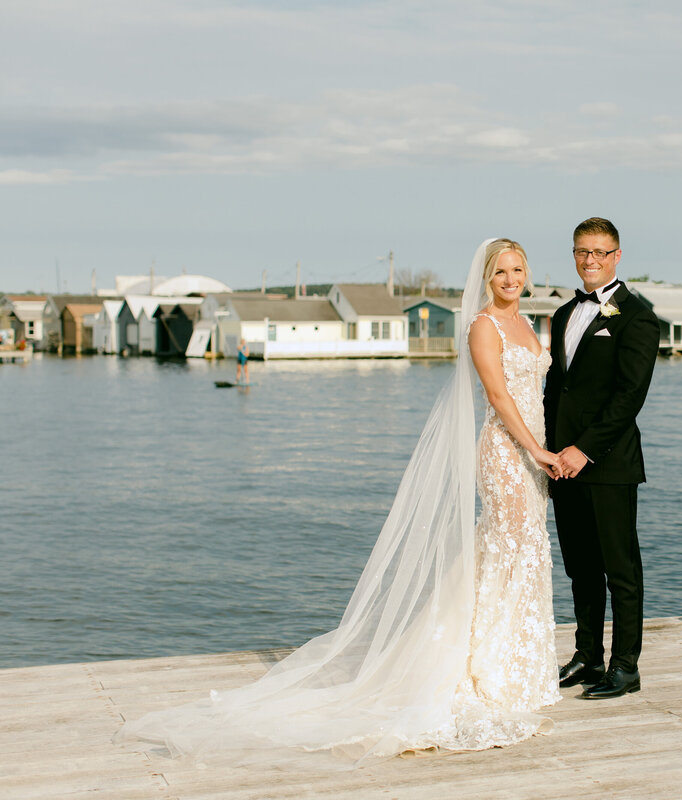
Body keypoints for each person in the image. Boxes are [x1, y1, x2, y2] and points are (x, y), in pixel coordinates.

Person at [116, 239, 563, 766]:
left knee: (524, 549)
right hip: (508, 452)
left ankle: (515, 661)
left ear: (527, 274)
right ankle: (482, 667)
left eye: (516, 270)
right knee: (509, 546)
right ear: (485, 279)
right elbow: (498, 396)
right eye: (499, 272)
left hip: (536, 451)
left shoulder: (530, 325)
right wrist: (535, 450)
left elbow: (538, 391)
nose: (509, 279)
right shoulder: (483, 327)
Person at [545, 217, 659, 700]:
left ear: (616, 256)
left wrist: (584, 449)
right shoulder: (564, 313)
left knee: (620, 569)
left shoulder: (637, 316)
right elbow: (557, 389)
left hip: (607, 464)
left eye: (599, 252)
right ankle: (588, 655)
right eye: (581, 252)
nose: (589, 260)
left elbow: (629, 396)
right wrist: (548, 450)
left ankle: (625, 667)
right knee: (580, 567)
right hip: (559, 464)